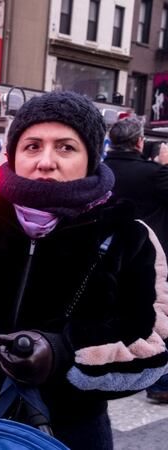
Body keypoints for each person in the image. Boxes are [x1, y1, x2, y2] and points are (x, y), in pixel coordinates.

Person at [0, 91, 168, 450]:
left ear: (91, 157)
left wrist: (62, 352)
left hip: (66, 433)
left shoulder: (128, 235)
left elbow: (154, 349)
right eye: (32, 146)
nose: (46, 161)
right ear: (14, 154)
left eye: (66, 147)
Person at [104, 117, 168, 403]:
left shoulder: (100, 170)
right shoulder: (154, 174)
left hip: (105, 253)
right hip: (150, 256)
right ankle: (161, 382)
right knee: (157, 317)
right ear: (139, 141)